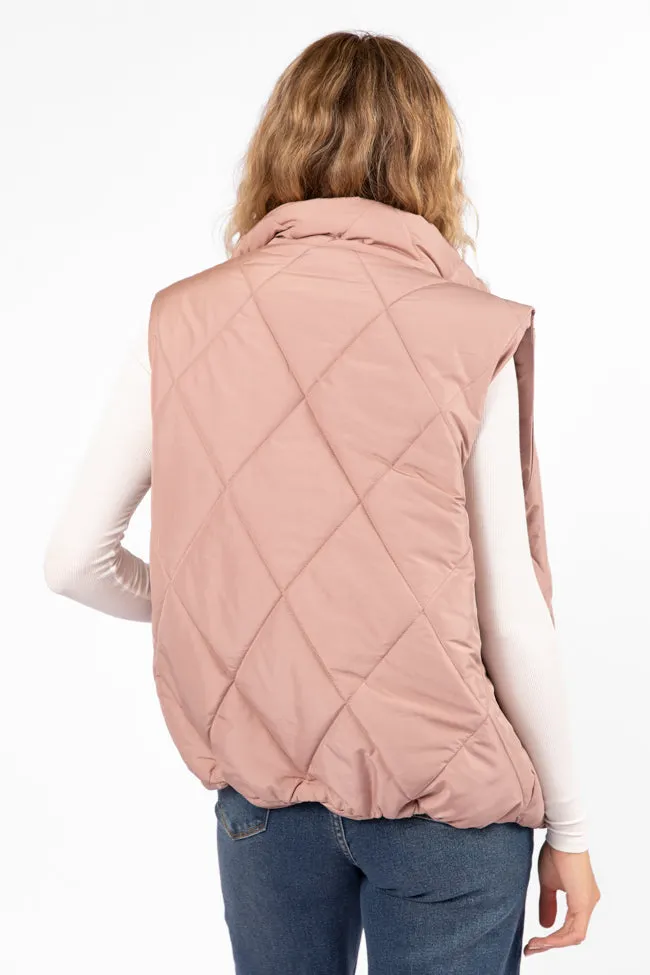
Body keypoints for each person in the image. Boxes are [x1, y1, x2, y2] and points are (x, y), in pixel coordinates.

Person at [44, 30, 600, 975]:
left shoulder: (180, 318)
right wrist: (573, 830)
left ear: (280, 146)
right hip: (448, 808)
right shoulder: (470, 332)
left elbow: (72, 563)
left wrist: (235, 616)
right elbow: (510, 614)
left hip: (265, 799)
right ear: (430, 159)